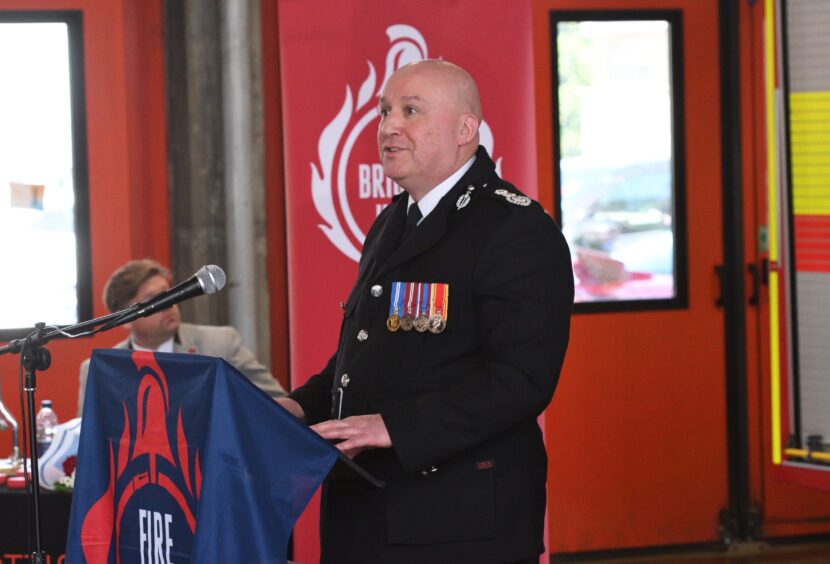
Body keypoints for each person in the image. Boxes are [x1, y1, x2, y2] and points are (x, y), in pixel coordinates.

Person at [277, 60, 574, 563]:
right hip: (367, 514)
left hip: (457, 524)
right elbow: (368, 357)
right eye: (384, 111)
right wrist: (301, 407)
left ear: (465, 129)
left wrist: (394, 427)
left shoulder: (514, 229)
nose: (389, 126)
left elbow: (521, 380)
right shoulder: (394, 220)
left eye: (410, 111)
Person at [77, 259, 285, 415]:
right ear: (125, 319)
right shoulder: (100, 369)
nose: (169, 304)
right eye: (153, 300)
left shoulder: (221, 344)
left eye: (168, 293)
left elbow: (279, 402)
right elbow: (88, 438)